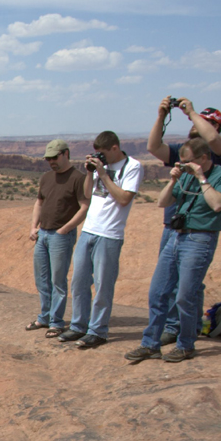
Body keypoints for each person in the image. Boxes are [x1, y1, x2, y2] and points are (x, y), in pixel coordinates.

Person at [125, 138, 221, 364]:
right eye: (181, 162)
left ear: (203, 158)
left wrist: (201, 178)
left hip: (200, 238)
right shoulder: (184, 176)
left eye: (187, 162)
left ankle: (185, 345)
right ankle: (150, 344)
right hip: (176, 235)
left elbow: (217, 204)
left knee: (185, 296)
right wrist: (174, 179)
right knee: (158, 292)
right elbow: (163, 202)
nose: (183, 165)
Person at [147, 98, 221, 344]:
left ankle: (183, 329)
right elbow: (154, 147)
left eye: (204, 123)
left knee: (187, 286)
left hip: (201, 230)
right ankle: (177, 326)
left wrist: (191, 113)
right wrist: (161, 115)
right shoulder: (185, 151)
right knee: (169, 284)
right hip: (174, 225)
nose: (194, 125)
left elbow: (212, 141)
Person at [61, 131, 143, 348]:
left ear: (114, 148)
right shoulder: (100, 166)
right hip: (89, 230)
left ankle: (98, 330)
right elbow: (88, 195)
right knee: (78, 282)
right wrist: (90, 173)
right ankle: (79, 326)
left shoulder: (132, 167)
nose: (100, 157)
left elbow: (124, 198)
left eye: (103, 153)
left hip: (110, 234)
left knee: (103, 285)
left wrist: (103, 174)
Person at [27, 139, 88, 336]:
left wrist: (66, 228)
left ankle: (57, 322)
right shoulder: (46, 177)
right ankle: (44, 317)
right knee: (42, 279)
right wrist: (33, 227)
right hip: (43, 234)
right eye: (48, 158)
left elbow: (85, 207)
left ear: (66, 154)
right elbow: (39, 203)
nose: (51, 162)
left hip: (61, 236)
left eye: (54, 157)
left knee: (58, 280)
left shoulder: (78, 178)